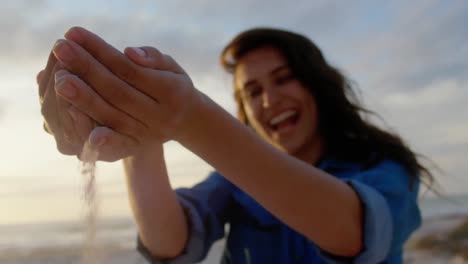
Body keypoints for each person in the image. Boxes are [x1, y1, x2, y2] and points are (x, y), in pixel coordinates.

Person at [37, 27, 434, 263]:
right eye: (252, 91)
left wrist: (189, 117)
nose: (268, 100)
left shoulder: (385, 166)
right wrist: (137, 134)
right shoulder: (231, 181)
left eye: (283, 79)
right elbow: (170, 243)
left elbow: (356, 231)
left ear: (319, 83)